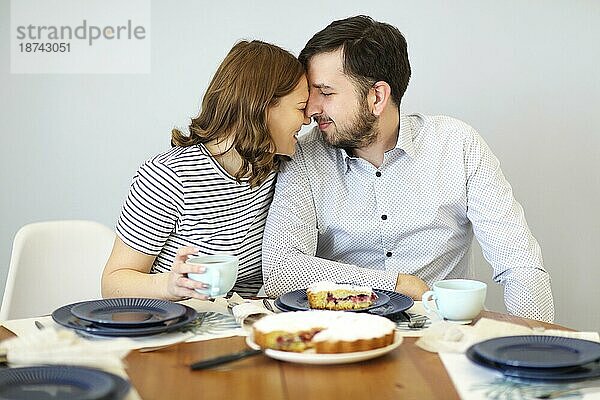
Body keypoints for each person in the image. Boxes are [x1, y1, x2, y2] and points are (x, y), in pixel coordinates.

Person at [261, 16, 554, 322]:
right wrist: (399, 285)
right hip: (339, 334)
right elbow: (282, 269)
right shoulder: (303, 155)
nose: (310, 109)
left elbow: (520, 264)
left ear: (377, 97)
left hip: (440, 334)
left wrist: (533, 343)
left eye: (326, 92)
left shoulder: (457, 145)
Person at [102, 40, 309, 301]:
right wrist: (169, 285)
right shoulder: (168, 177)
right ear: (262, 106)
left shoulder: (279, 168)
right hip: (170, 325)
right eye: (300, 108)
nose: (307, 119)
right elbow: (113, 282)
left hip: (233, 328)